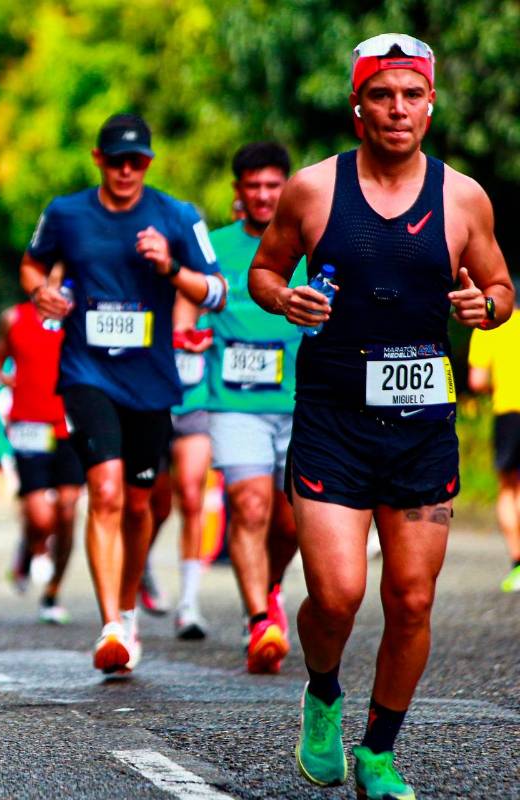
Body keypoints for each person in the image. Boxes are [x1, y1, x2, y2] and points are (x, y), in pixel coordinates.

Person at [248, 33, 513, 800]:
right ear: (357, 105)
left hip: (423, 423)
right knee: (335, 593)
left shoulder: (463, 197)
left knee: (412, 596)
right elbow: (266, 269)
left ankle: (380, 752)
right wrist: (281, 296)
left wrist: (485, 306)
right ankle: (324, 693)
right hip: (334, 416)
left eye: (411, 95)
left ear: (431, 103)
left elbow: (498, 288)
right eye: (381, 94)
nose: (397, 109)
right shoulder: (313, 190)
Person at [20, 113, 225, 675]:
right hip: (87, 372)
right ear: (98, 160)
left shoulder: (177, 216)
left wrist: (170, 265)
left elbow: (216, 292)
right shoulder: (66, 213)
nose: (126, 170)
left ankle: (128, 608)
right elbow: (32, 265)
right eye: (116, 160)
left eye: (136, 161)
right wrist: (43, 294)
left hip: (152, 381)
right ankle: (110, 622)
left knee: (140, 503)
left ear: (149, 164)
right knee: (105, 490)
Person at [203, 142, 302, 674]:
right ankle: (260, 620)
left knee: (290, 525)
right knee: (249, 505)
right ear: (238, 192)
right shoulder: (213, 248)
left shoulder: (311, 245)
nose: (264, 195)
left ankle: (270, 585)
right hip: (234, 403)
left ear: (287, 187)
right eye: (253, 186)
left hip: (302, 402)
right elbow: (188, 307)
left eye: (273, 185)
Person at [0, 294, 84, 624]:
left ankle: (54, 591)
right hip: (29, 426)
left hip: (70, 425)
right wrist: (6, 380)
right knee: (42, 519)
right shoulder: (13, 316)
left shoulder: (80, 312)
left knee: (69, 510)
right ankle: (28, 548)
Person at [142, 299, 214, 639]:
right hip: (153, 406)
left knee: (190, 494)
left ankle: (188, 603)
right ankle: (141, 564)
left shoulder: (209, 287)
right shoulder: (154, 284)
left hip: (196, 407)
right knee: (155, 507)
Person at [468, 282, 520, 592]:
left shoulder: (490, 326)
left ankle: (518, 563)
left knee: (508, 487)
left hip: (508, 413)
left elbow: (476, 381)